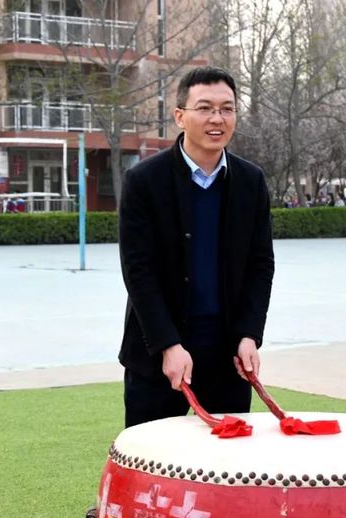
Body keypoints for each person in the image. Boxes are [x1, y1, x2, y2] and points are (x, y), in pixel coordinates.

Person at [118, 66, 275, 428]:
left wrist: (249, 335)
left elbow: (260, 264)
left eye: (227, 109)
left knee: (229, 459)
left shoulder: (251, 181)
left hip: (228, 358)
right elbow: (138, 271)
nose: (217, 119)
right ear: (180, 116)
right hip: (158, 355)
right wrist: (168, 345)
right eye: (204, 108)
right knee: (153, 458)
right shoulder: (144, 181)